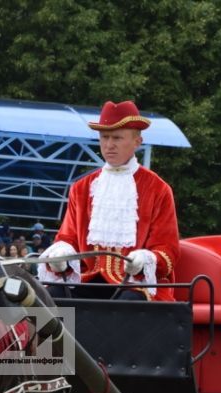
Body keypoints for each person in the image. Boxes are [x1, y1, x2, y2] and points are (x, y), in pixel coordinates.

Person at [37, 100, 179, 301]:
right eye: (104, 137)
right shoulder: (82, 188)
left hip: (137, 284)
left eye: (117, 138)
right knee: (48, 297)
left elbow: (168, 250)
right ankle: (41, 335)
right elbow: (67, 237)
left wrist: (144, 260)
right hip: (88, 280)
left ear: (137, 142)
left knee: (128, 302)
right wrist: (62, 253)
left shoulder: (158, 189)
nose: (109, 145)